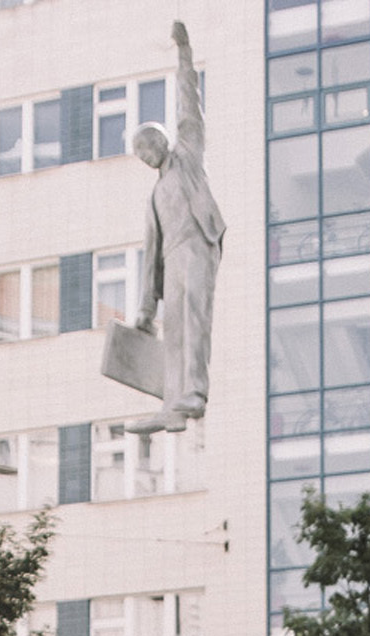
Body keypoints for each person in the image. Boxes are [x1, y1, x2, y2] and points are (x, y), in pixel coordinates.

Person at [127, 20, 224, 433]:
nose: (146, 156)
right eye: (140, 154)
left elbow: (188, 101)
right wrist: (146, 309)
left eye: (146, 147)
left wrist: (184, 52)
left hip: (198, 243)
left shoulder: (186, 154)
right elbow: (151, 256)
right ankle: (172, 408)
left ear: (160, 140)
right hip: (172, 257)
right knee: (175, 330)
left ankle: (196, 393)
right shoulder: (154, 195)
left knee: (196, 316)